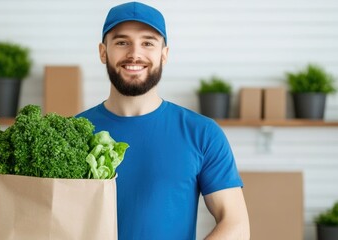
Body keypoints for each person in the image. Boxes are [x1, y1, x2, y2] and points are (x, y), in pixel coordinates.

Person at [77, 2, 250, 239]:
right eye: (122, 42)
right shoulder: (73, 133)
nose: (134, 53)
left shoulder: (202, 133)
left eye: (147, 42)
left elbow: (236, 223)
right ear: (103, 52)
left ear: (164, 54)